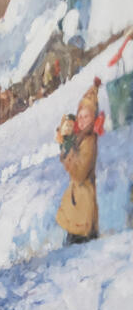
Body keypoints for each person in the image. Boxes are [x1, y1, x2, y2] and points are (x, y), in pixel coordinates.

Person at [57, 79, 103, 245]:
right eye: (80, 116)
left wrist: (68, 155)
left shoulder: (89, 141)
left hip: (84, 208)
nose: (82, 120)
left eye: (86, 116)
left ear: (93, 117)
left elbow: (80, 172)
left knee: (78, 252)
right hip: (77, 206)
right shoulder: (81, 138)